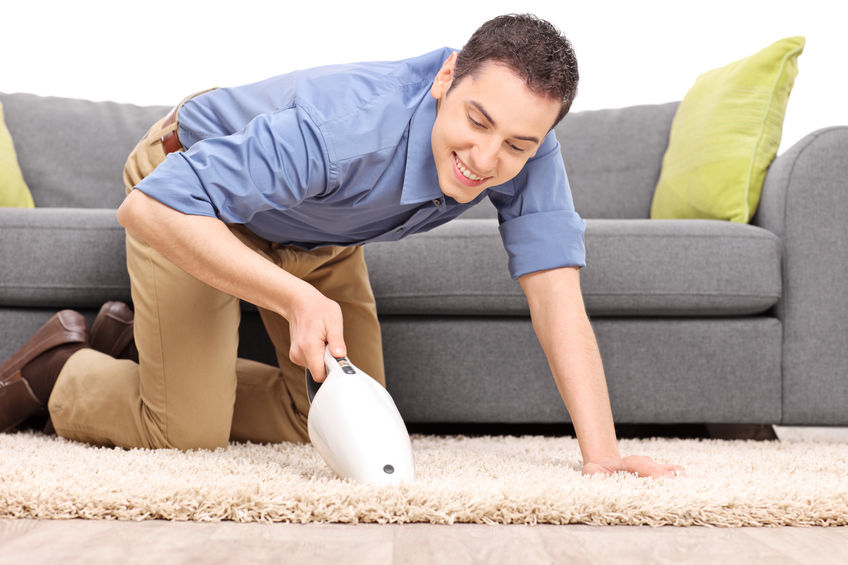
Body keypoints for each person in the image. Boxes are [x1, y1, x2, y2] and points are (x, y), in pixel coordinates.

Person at [0, 14, 684, 479]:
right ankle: (65, 368)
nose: (485, 157)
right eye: (476, 121)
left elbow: (556, 291)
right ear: (446, 79)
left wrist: (602, 455)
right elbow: (146, 207)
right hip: (197, 193)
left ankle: (155, 360)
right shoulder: (348, 130)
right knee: (187, 429)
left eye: (516, 143)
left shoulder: (528, 150)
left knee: (337, 424)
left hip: (314, 228)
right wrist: (294, 296)